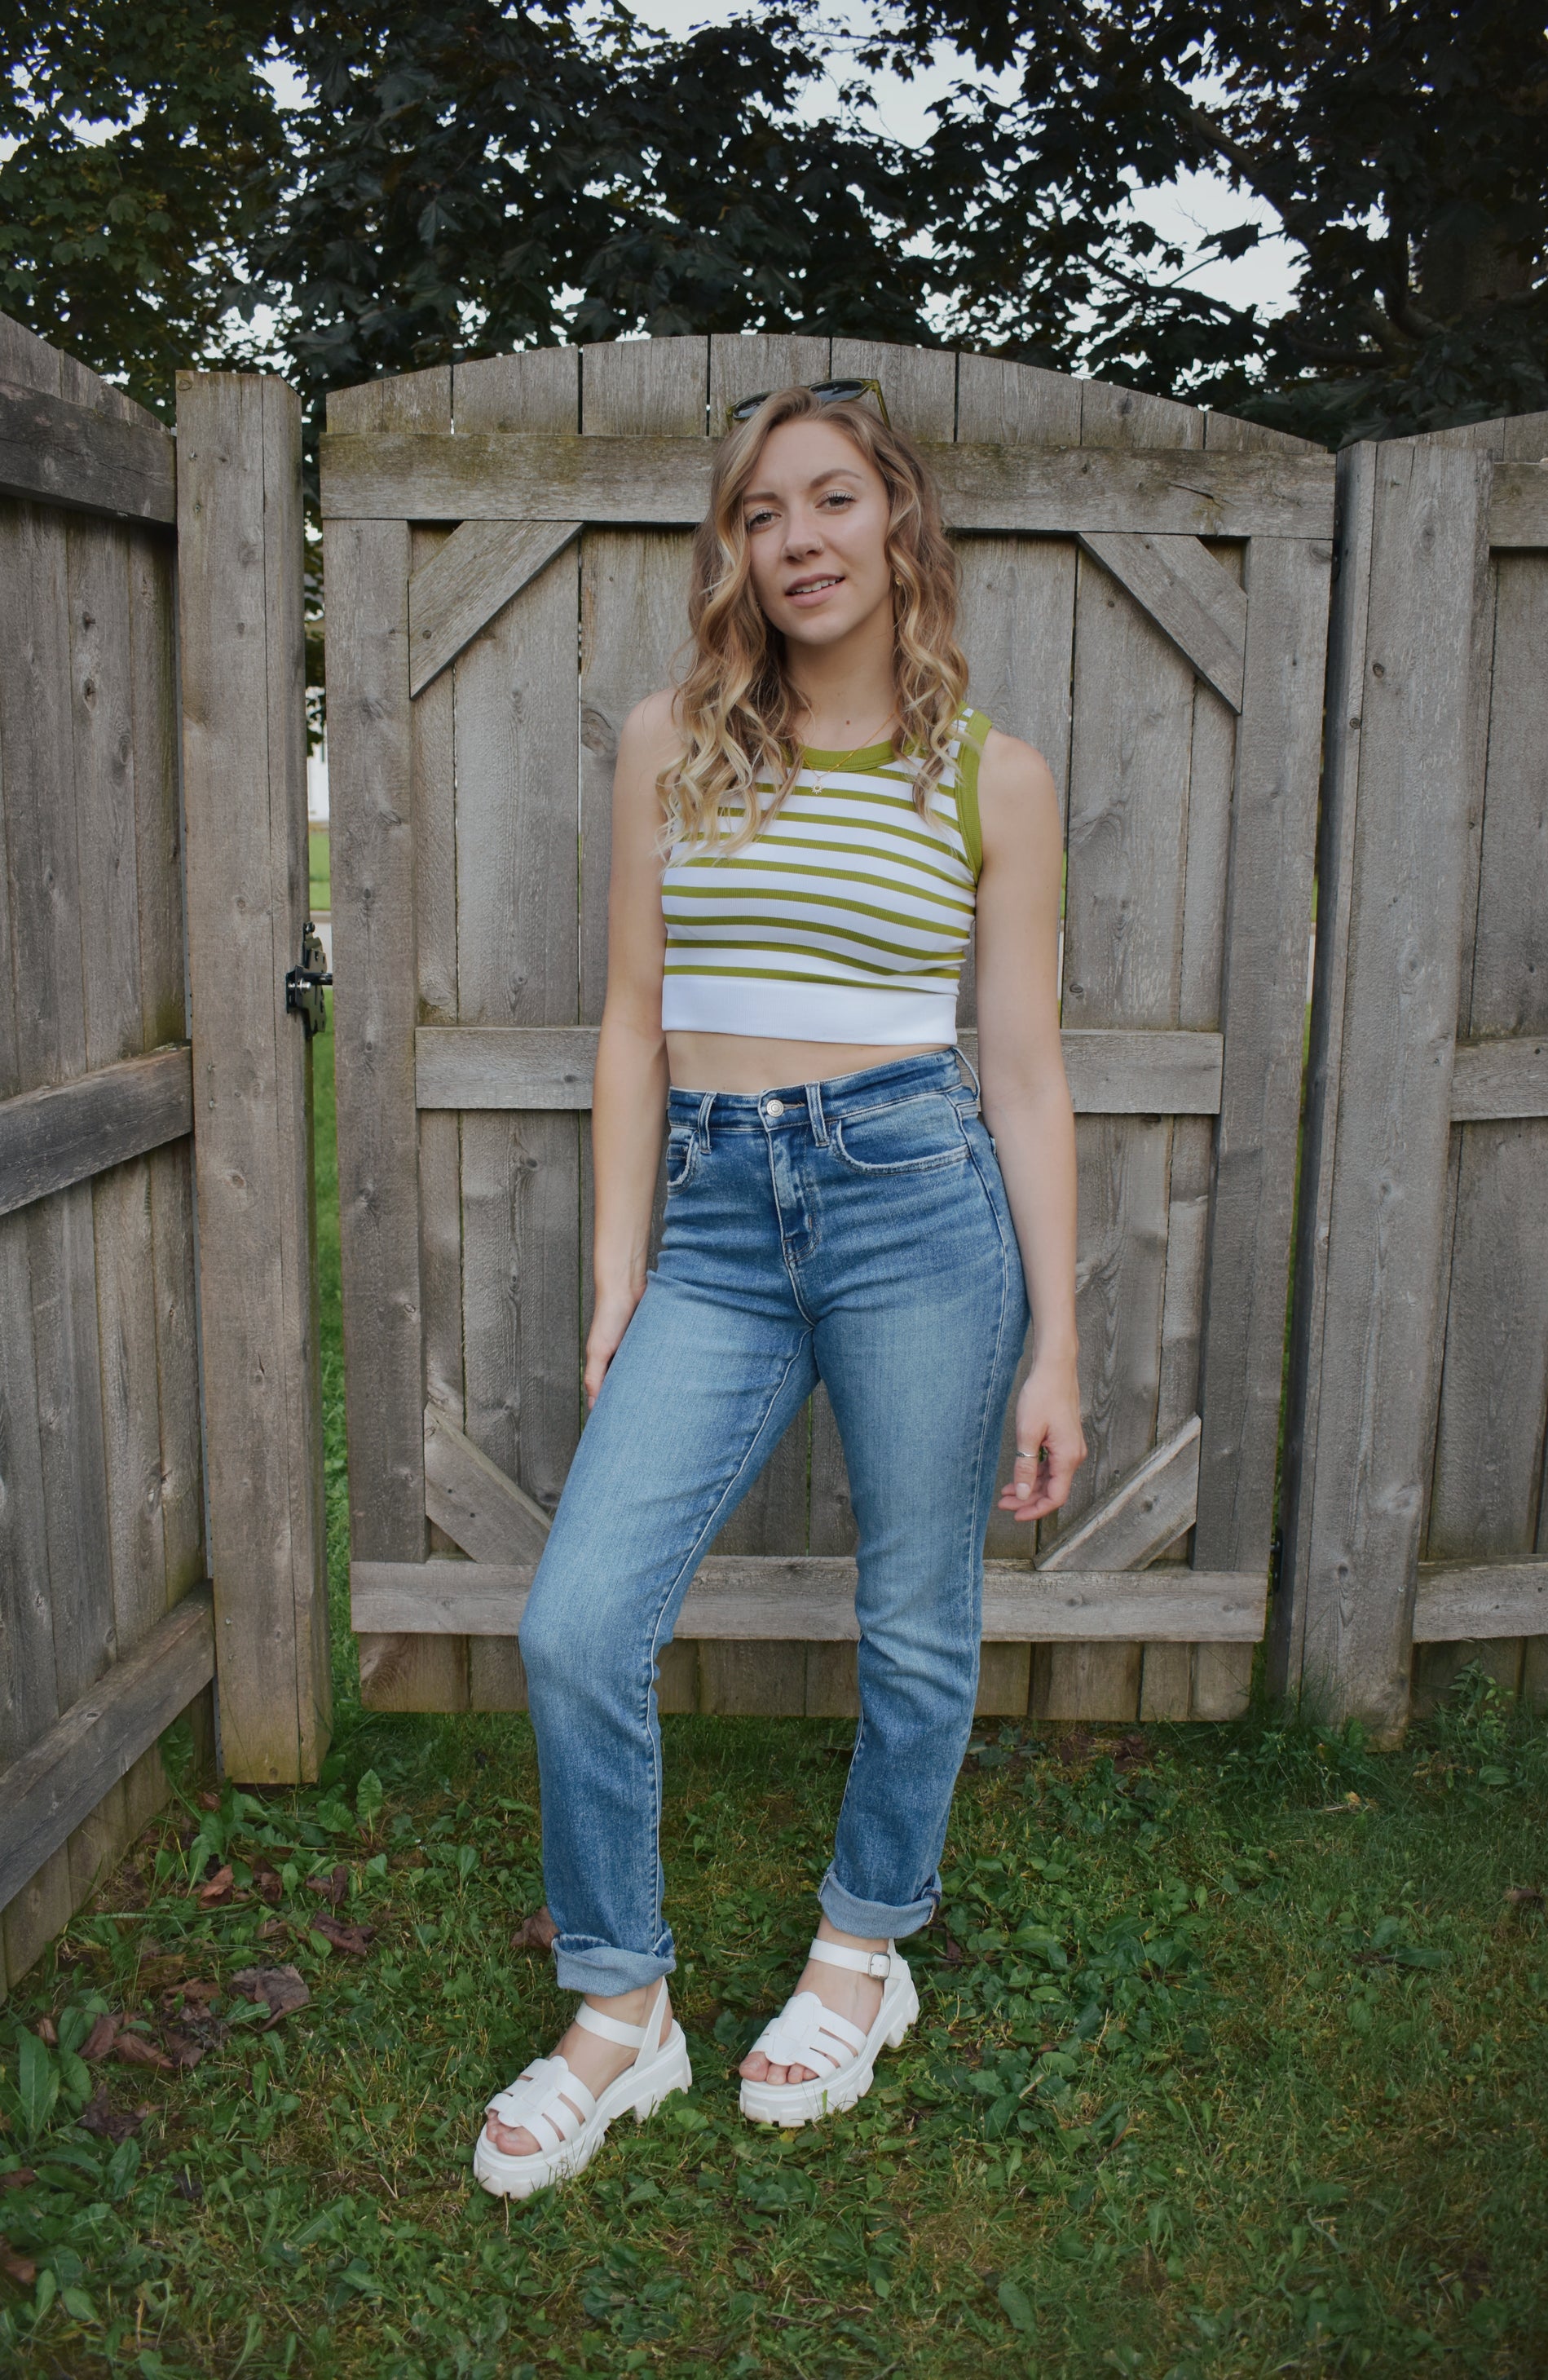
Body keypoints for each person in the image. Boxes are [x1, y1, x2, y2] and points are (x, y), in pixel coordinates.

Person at [473, 379, 1085, 2199]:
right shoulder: (675, 737)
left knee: (914, 1617)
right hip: (723, 1225)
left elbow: (1026, 1067)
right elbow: (629, 1021)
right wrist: (618, 1268)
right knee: (576, 1621)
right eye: (762, 511)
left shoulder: (992, 769)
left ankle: (860, 1949)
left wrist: (1062, 1336)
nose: (799, 539)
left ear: (897, 523)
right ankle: (621, 2005)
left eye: (832, 500)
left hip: (917, 1204)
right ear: (733, 545)